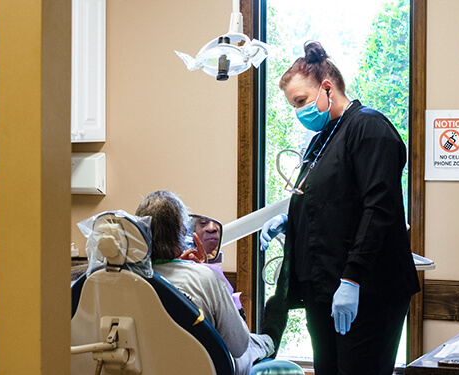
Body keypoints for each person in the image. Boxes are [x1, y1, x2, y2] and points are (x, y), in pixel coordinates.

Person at [259, 41, 420, 375]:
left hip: (367, 291)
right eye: (292, 105)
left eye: (301, 101)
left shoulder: (369, 128)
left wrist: (352, 279)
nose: (298, 111)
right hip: (325, 291)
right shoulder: (324, 141)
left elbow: (379, 209)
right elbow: (331, 204)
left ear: (327, 88)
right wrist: (290, 220)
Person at [135, 190, 274, 375]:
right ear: (183, 231)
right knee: (258, 343)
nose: (211, 229)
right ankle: (271, 339)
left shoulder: (126, 279)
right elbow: (239, 346)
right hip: (205, 368)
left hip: (145, 367)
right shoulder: (206, 278)